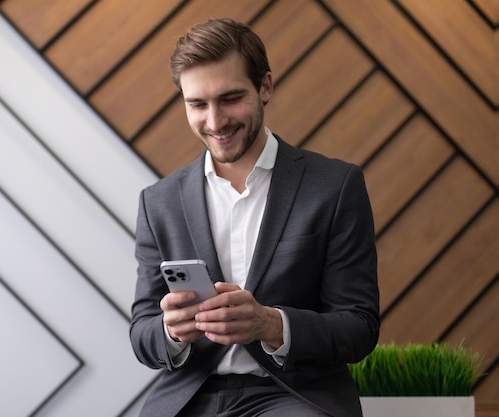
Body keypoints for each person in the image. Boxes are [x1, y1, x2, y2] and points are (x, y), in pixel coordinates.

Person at [130, 17, 379, 417]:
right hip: (191, 397)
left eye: (230, 98)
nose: (215, 122)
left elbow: (359, 327)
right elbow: (142, 334)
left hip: (293, 395)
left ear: (265, 86)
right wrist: (171, 331)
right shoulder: (158, 202)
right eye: (198, 104)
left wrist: (271, 324)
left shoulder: (335, 187)